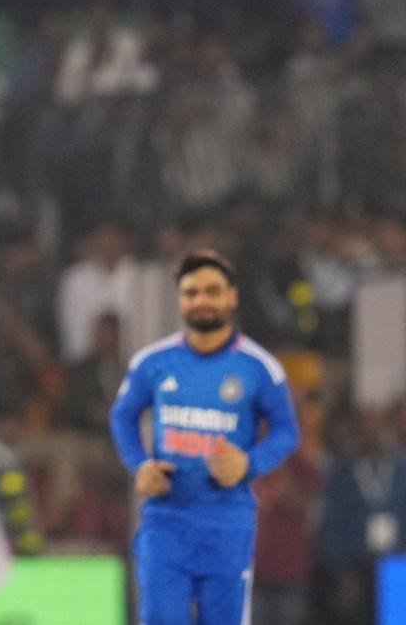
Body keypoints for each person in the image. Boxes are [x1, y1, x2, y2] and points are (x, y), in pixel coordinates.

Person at [109, 249, 300, 625]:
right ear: (180, 299)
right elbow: (123, 416)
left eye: (212, 291)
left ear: (232, 297)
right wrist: (139, 465)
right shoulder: (153, 362)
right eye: (191, 293)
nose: (201, 301)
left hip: (228, 522)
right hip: (166, 520)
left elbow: (287, 431)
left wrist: (249, 463)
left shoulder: (259, 367)